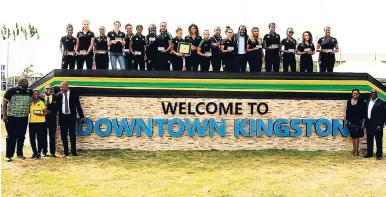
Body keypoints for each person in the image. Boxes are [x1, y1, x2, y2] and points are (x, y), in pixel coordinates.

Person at [2, 78, 32, 162]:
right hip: (12, 118)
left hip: (24, 118)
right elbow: (4, 103)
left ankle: (19, 153)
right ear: (21, 82)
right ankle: (8, 155)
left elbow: (36, 98)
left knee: (21, 136)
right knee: (11, 137)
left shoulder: (29, 92)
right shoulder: (11, 90)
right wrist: (5, 115)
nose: (28, 83)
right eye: (26, 81)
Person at [56, 81, 84, 157]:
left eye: (62, 87)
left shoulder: (74, 94)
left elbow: (78, 106)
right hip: (63, 118)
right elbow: (56, 107)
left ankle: (74, 151)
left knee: (72, 135)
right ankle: (66, 152)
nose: (61, 88)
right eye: (60, 87)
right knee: (63, 135)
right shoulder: (58, 95)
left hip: (71, 117)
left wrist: (81, 116)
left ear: (67, 87)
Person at [364, 89, 386, 160]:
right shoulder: (367, 101)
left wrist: (380, 124)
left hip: (377, 125)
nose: (373, 93)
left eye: (375, 92)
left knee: (378, 140)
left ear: (377, 93)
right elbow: (366, 113)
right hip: (369, 124)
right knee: (369, 140)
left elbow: (383, 115)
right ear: (371, 93)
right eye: (372, 92)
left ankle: (379, 155)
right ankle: (369, 153)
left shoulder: (382, 102)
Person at [345, 89, 366, 156]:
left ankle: (356, 152)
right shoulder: (349, 101)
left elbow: (364, 113)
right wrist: (347, 121)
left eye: (357, 93)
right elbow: (347, 112)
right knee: (353, 136)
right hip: (351, 121)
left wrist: (363, 123)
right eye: (354, 93)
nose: (355, 94)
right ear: (352, 94)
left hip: (358, 121)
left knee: (356, 136)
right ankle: (354, 149)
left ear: (359, 94)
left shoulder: (361, 101)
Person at [29, 90, 48, 159]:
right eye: (34, 94)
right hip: (32, 123)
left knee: (40, 139)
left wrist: (41, 114)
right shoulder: (30, 103)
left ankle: (39, 152)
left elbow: (46, 112)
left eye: (37, 94)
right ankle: (35, 153)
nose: (36, 95)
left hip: (41, 123)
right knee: (32, 139)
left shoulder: (42, 103)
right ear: (32, 95)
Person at [43, 85, 58, 157]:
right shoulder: (41, 98)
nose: (49, 90)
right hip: (43, 120)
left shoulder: (56, 97)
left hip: (52, 120)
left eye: (50, 89)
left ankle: (52, 152)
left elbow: (58, 107)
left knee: (52, 137)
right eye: (47, 88)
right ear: (44, 90)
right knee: (43, 136)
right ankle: (44, 152)